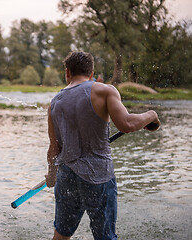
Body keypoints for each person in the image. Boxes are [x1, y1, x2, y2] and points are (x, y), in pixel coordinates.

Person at [45, 52, 160, 240]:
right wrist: (151, 115)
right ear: (91, 74)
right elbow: (127, 124)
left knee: (61, 235)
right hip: (97, 176)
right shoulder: (104, 90)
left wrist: (51, 175)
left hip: (66, 178)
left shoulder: (55, 102)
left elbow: (53, 149)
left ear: (67, 72)